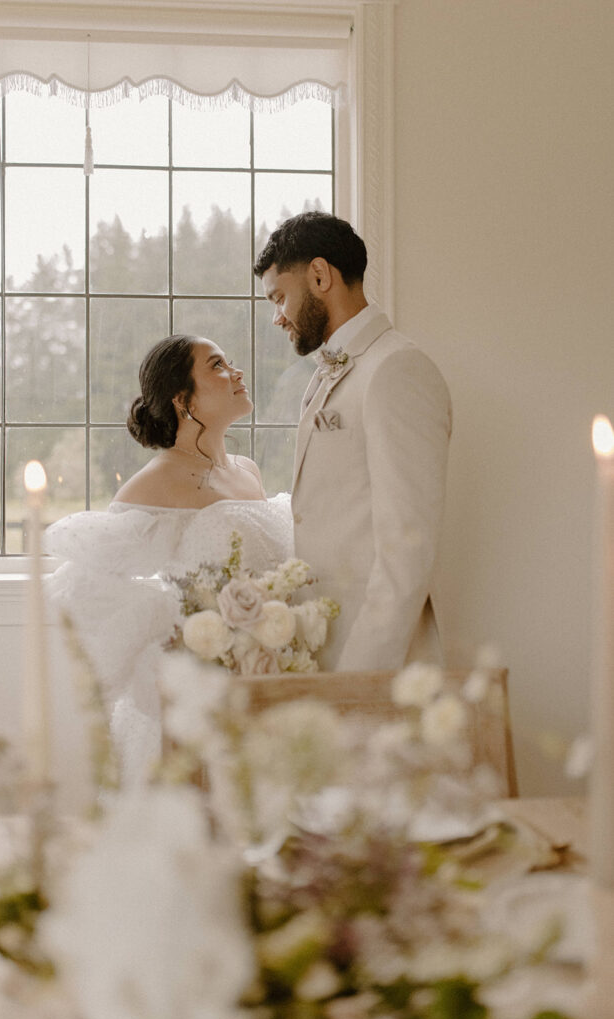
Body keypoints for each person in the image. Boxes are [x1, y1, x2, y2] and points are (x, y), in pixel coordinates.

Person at [45, 334, 294, 782]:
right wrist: (170, 625)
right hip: (200, 693)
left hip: (269, 677)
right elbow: (90, 580)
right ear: (183, 399)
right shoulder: (156, 482)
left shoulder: (248, 471)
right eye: (217, 365)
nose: (236, 372)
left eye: (230, 361)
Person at [254, 211, 452, 672]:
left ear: (320, 275)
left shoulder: (396, 370)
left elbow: (408, 549)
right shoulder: (331, 371)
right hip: (323, 649)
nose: (277, 317)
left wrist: (359, 675)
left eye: (279, 297)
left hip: (374, 663)